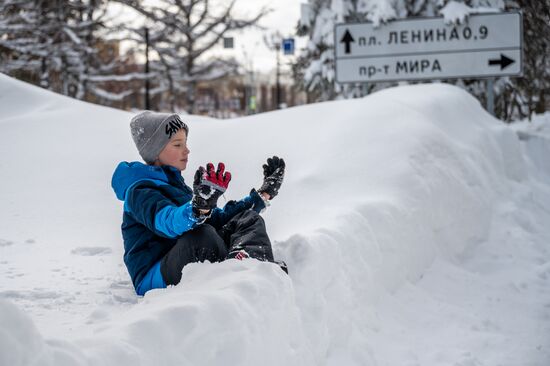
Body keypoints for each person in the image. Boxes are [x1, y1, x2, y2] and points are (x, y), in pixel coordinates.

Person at [111, 111, 286, 296]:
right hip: (155, 276)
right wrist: (197, 209)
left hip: (184, 255)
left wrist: (263, 195)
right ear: (156, 151)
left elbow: (217, 219)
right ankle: (237, 276)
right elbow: (167, 222)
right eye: (178, 144)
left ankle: (255, 269)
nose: (186, 150)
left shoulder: (177, 187)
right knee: (202, 235)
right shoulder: (138, 193)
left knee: (247, 219)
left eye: (185, 143)